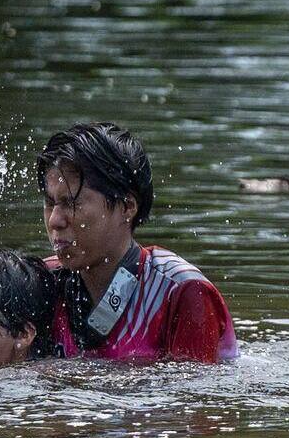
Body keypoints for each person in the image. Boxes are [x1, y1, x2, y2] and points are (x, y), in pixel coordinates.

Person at [38, 122, 238, 363]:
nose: (55, 220)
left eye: (72, 203)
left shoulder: (182, 293)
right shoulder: (41, 283)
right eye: (50, 203)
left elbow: (193, 398)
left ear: (127, 206)